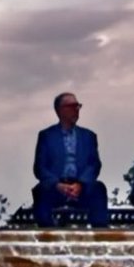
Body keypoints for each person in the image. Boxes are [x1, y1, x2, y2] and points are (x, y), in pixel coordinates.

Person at [32, 92, 110, 228]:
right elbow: (40, 167)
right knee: (40, 191)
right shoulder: (46, 136)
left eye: (78, 106)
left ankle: (99, 238)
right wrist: (57, 185)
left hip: (81, 185)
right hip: (56, 185)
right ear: (60, 110)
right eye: (72, 106)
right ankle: (48, 238)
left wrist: (81, 184)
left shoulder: (88, 136)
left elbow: (94, 164)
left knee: (98, 189)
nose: (76, 110)